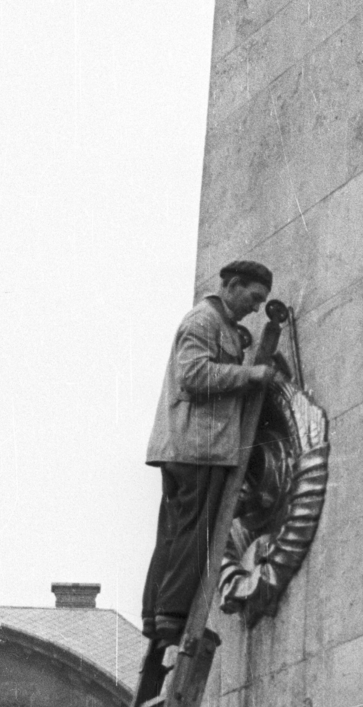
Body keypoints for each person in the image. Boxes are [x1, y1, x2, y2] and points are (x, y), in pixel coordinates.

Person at [142, 259, 276, 643]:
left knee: (175, 533)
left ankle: (157, 616)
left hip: (190, 445)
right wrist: (249, 374)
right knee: (195, 533)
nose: (255, 307)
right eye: (253, 297)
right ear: (232, 286)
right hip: (199, 447)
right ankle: (172, 616)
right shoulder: (203, 321)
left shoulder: (218, 325)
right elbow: (193, 375)